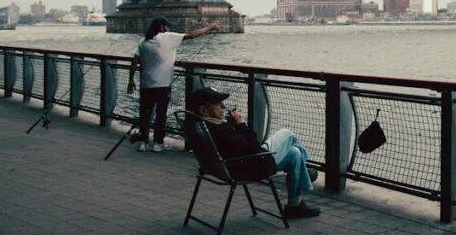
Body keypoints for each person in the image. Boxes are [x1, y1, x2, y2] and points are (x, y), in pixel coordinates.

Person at [187, 86, 320, 218]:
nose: (223, 106)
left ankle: (295, 205)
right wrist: (241, 123)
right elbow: (254, 146)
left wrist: (232, 125)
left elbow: (237, 146)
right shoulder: (219, 130)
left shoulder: (202, 127)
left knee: (295, 153)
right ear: (203, 109)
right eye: (218, 104)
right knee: (287, 134)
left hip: (232, 166)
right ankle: (305, 172)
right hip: (250, 167)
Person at [127, 18, 220, 153]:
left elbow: (135, 61)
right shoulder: (167, 37)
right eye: (168, 27)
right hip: (163, 84)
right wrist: (211, 26)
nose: (169, 29)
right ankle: (158, 144)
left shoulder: (143, 41)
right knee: (161, 115)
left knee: (145, 114)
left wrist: (131, 80)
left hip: (146, 84)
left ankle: (143, 142)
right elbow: (193, 35)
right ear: (163, 27)